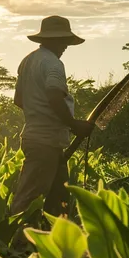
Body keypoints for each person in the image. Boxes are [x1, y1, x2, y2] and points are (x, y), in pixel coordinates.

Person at [11, 15, 94, 216]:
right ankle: (14, 243)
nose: (65, 46)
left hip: (44, 140)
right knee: (29, 199)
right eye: (62, 41)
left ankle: (53, 242)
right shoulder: (53, 64)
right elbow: (54, 96)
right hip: (44, 142)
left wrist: (41, 115)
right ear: (51, 40)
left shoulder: (28, 61)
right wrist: (73, 125)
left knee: (59, 201)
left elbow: (19, 100)